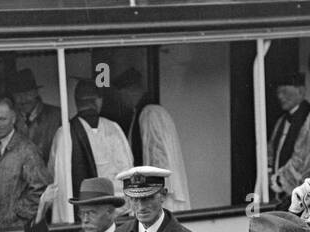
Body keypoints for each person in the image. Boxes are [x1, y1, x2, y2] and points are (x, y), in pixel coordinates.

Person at [45, 79, 133, 223]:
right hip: (117, 214)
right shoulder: (114, 129)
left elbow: (52, 175)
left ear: (76, 102)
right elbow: (129, 167)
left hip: (81, 218)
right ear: (98, 101)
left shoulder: (64, 133)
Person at [112, 67, 190, 211]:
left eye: (120, 95)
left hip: (164, 197)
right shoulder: (145, 113)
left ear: (128, 91)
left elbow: (159, 158)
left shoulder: (150, 114)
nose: (120, 100)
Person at [0, 96, 50, 231]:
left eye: (3, 119)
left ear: (13, 119)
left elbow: (42, 189)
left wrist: (16, 214)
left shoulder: (27, 150)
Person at [268, 73, 310, 204]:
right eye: (278, 92)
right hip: (280, 196)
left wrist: (279, 180)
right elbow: (270, 152)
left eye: (285, 91)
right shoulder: (281, 121)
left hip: (306, 199)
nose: (280, 97)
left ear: (301, 91)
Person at [11, 68, 61, 164]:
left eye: (28, 93)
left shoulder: (56, 116)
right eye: (18, 95)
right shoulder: (9, 119)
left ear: (36, 93)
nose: (23, 99)